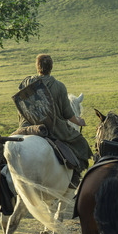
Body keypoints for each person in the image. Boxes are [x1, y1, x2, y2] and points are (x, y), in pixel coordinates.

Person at [17, 54, 92, 186]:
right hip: (53, 128)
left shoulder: (26, 83)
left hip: (27, 126)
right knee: (81, 144)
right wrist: (79, 122)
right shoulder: (59, 86)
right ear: (51, 67)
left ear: (37, 67)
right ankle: (74, 180)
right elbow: (67, 114)